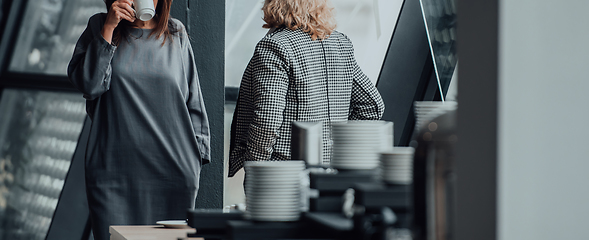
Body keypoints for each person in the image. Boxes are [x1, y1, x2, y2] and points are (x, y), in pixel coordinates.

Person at [67, 0, 210, 239]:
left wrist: (195, 161)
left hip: (172, 173)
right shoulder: (99, 26)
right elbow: (90, 85)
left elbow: (193, 102)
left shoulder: (176, 33)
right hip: (112, 174)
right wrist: (109, 28)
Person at [228, 0, 385, 177]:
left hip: (284, 176)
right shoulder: (340, 44)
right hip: (330, 174)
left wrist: (255, 169)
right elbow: (372, 105)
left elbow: (268, 121)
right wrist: (339, 147)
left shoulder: (275, 46)